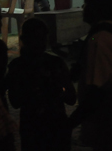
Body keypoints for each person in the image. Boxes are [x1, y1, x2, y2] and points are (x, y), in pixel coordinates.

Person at [69, 0, 112, 151]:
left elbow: (97, 92)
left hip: (107, 122)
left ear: (97, 8)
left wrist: (71, 122)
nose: (84, 8)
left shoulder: (100, 40)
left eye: (87, 3)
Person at [6, 18, 77, 151]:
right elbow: (71, 98)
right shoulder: (56, 63)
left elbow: (15, 101)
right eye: (37, 39)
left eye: (41, 39)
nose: (40, 43)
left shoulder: (18, 66)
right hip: (54, 125)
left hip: (33, 126)